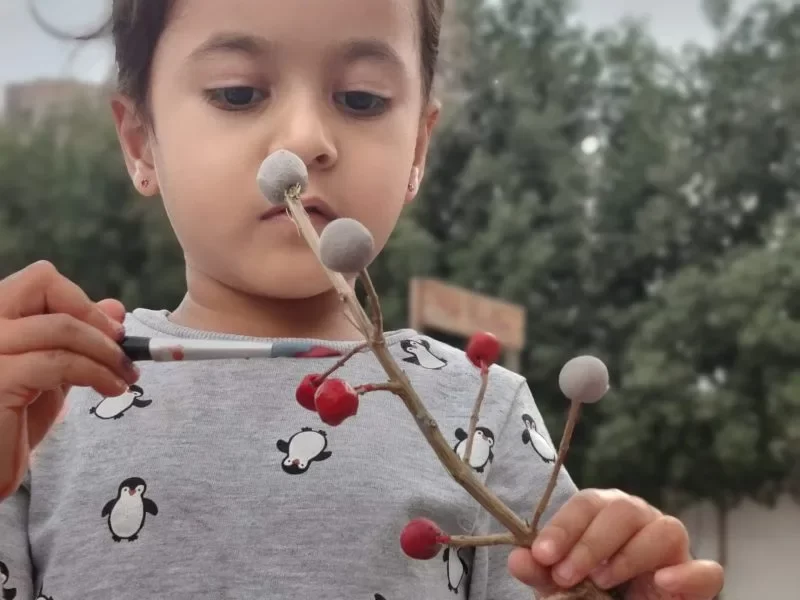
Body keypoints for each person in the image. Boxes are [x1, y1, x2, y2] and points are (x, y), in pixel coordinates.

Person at [0, 0, 724, 598]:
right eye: (238, 93)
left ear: (417, 149)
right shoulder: (43, 405)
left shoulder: (485, 412)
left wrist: (614, 576)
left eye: (362, 99)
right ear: (139, 142)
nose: (307, 139)